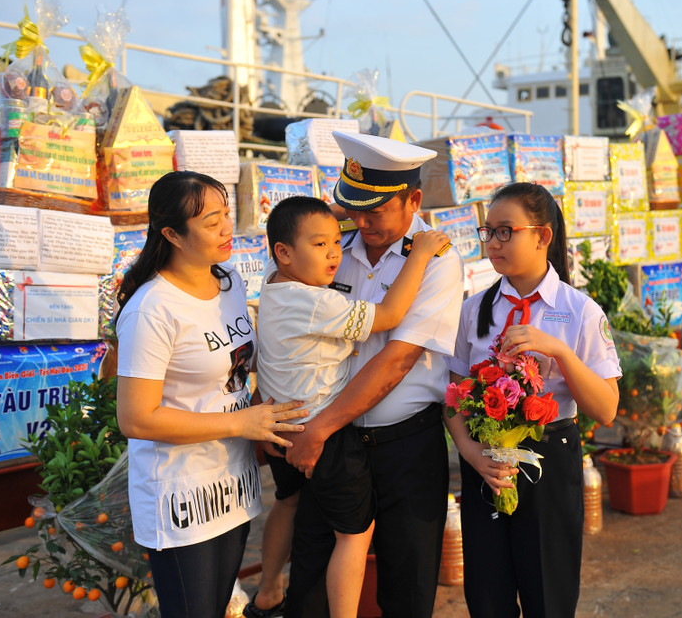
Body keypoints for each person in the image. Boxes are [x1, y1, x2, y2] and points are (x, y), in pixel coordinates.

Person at [283, 131, 464, 618]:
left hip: (403, 446)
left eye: (375, 210)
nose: (361, 222)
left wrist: (318, 428)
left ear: (414, 200)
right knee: (312, 581)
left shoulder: (438, 260)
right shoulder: (334, 247)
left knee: (406, 588)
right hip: (336, 446)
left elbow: (397, 360)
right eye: (352, 207)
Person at [114, 171, 308, 618]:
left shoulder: (229, 282)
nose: (226, 228)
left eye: (226, 214)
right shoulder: (152, 308)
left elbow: (239, 362)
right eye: (210, 221)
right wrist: (242, 423)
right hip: (181, 493)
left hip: (232, 483)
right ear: (171, 234)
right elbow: (136, 418)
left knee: (219, 605)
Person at [251, 196, 449, 617]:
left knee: (288, 503)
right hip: (322, 433)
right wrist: (423, 251)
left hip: (285, 425)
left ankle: (268, 589)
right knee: (353, 534)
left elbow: (295, 233)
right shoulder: (315, 300)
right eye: (321, 244)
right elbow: (392, 312)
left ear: (413, 200)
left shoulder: (273, 282)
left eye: (335, 242)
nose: (334, 251)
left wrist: (329, 219)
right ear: (284, 252)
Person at [444, 182, 621, 617]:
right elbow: (451, 396)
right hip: (486, 463)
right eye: (489, 232)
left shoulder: (580, 311)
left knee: (549, 594)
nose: (494, 243)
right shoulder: (474, 310)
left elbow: (606, 408)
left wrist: (558, 350)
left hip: (550, 457)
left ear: (542, 236)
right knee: (487, 595)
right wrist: (470, 453)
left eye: (507, 231)